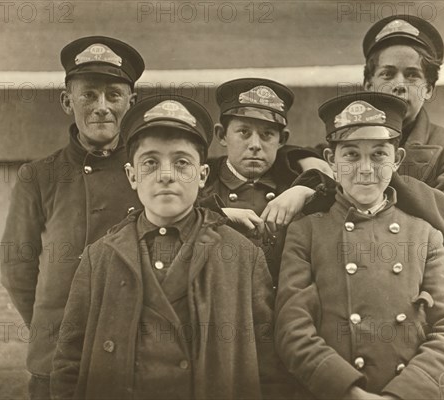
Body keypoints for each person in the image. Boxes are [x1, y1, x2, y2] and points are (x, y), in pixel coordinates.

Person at [295, 15, 444, 398]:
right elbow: (311, 161)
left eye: (413, 76)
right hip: (360, 330)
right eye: (387, 74)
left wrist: (382, 170)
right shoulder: (341, 145)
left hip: (434, 325)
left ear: (429, 88)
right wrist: (306, 174)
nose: (399, 83)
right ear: (368, 83)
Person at [51, 95, 280, 399]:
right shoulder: (101, 256)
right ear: (132, 176)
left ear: (202, 176)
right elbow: (69, 361)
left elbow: (268, 366)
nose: (167, 175)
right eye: (151, 163)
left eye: (182, 162)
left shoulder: (241, 255)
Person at [276, 91, 444, 400]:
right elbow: (292, 330)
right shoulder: (306, 233)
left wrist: (401, 395)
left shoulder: (424, 235)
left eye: (379, 154)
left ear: (397, 160)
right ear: (331, 161)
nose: (365, 168)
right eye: (351, 155)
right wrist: (350, 392)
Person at [0, 36, 144, 399]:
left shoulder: (148, 170)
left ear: (132, 102)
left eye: (113, 95)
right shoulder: (39, 175)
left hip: (134, 351)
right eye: (88, 95)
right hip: (57, 354)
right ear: (67, 101)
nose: (101, 107)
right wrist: (53, 326)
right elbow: (17, 265)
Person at [202, 78, 332, 283]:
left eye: (267, 135)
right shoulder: (202, 181)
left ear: (282, 140)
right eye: (244, 132)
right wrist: (217, 214)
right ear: (222, 135)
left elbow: (342, 194)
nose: (255, 144)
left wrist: (304, 190)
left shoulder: (292, 179)